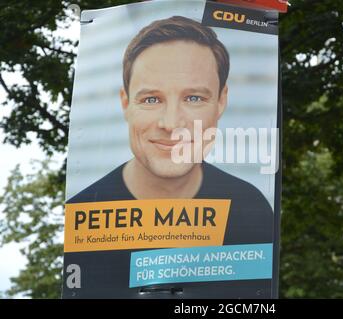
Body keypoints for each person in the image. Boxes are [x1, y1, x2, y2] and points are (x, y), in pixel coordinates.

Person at [64, 16, 273, 298]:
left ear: (221, 101)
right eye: (151, 99)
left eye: (194, 98)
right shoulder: (84, 211)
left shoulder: (252, 210)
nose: (172, 123)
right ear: (125, 104)